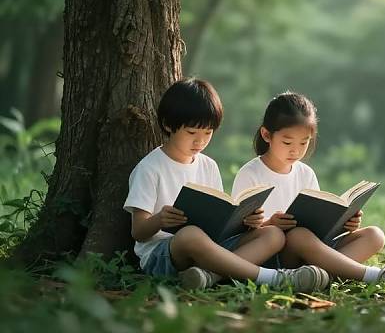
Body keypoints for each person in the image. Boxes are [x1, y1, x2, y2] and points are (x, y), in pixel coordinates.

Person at [124, 78, 329, 292]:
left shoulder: (208, 166)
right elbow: (138, 231)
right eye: (192, 133)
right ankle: (275, 278)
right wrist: (159, 219)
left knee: (273, 235)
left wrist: (247, 221)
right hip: (163, 254)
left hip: (209, 249)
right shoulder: (150, 167)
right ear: (168, 125)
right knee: (190, 234)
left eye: (207, 133)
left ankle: (209, 276)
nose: (200, 141)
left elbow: (220, 223)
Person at [232, 91, 385, 290]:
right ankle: (376, 276)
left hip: (310, 251)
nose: (295, 150)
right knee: (298, 235)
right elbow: (238, 234)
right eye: (287, 143)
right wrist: (270, 223)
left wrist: (343, 224)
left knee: (374, 235)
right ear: (266, 135)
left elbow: (317, 225)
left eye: (304, 143)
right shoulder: (250, 173)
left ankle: (315, 277)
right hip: (275, 255)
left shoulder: (306, 173)